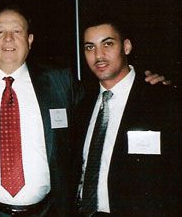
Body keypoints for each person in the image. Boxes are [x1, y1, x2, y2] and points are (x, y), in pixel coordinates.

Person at [0, 5, 83, 216]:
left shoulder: (60, 81)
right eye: (0, 32)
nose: (8, 38)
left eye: (17, 31)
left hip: (49, 211)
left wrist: (144, 83)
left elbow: (96, 109)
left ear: (29, 40)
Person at [74, 16, 181, 216]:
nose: (98, 55)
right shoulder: (82, 106)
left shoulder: (164, 100)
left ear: (127, 47)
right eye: (90, 47)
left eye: (107, 44)